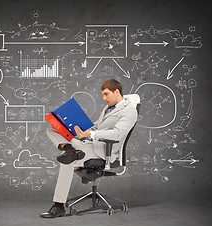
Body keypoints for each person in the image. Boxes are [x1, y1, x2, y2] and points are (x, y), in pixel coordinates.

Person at [39, 79, 138, 218]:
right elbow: (97, 126)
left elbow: (117, 133)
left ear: (116, 92)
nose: (104, 98)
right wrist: (78, 130)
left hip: (104, 150)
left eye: (106, 94)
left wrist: (90, 134)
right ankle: (69, 149)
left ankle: (59, 206)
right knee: (53, 129)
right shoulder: (108, 108)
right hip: (89, 144)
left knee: (67, 161)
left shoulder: (129, 111)